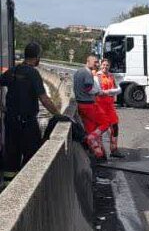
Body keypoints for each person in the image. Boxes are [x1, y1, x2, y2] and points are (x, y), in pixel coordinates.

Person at [0, 43, 61, 180]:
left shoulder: (14, 71)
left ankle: (8, 187)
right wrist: (58, 115)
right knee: (32, 157)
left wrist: (2, 107)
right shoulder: (33, 73)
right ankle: (25, 183)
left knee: (11, 156)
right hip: (27, 123)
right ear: (37, 57)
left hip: (10, 121)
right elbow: (44, 99)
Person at [74, 54, 111, 159]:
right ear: (88, 61)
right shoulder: (88, 73)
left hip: (80, 105)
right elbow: (89, 89)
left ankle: (98, 153)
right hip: (88, 105)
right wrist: (99, 92)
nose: (96, 64)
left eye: (97, 62)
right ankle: (90, 138)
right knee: (105, 123)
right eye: (95, 62)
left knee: (90, 128)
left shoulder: (77, 72)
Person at [96, 58, 124, 158]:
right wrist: (111, 91)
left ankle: (114, 149)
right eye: (103, 65)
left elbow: (119, 89)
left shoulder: (111, 76)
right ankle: (99, 151)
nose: (105, 67)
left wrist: (108, 92)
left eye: (107, 65)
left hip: (110, 107)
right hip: (100, 106)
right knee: (101, 128)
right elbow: (98, 91)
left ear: (109, 66)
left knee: (115, 127)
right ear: (100, 65)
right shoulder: (97, 76)